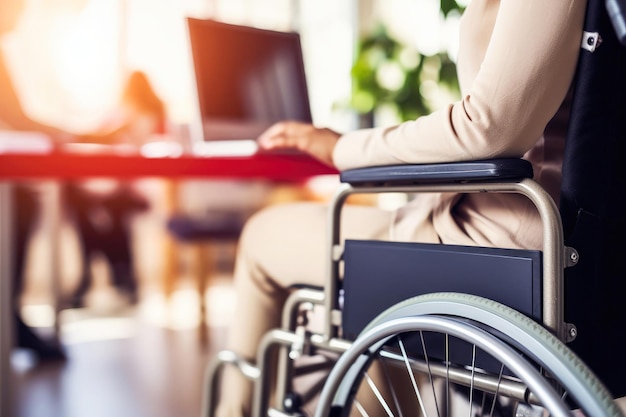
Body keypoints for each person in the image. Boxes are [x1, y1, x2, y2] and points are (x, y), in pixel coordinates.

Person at [215, 1, 589, 416]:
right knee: (378, 343)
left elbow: (488, 127)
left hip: (510, 242)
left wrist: (341, 147)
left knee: (260, 238)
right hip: (559, 237)